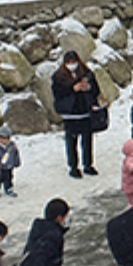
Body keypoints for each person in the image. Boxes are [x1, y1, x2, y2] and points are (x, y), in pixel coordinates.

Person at [52, 50, 100, 179]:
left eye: (74, 62)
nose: (72, 64)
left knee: (87, 141)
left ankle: (88, 164)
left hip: (85, 112)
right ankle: (73, 166)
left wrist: (88, 88)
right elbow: (57, 94)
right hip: (70, 113)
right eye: (69, 62)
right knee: (71, 141)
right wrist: (72, 89)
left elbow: (96, 90)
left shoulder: (87, 73)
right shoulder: (58, 77)